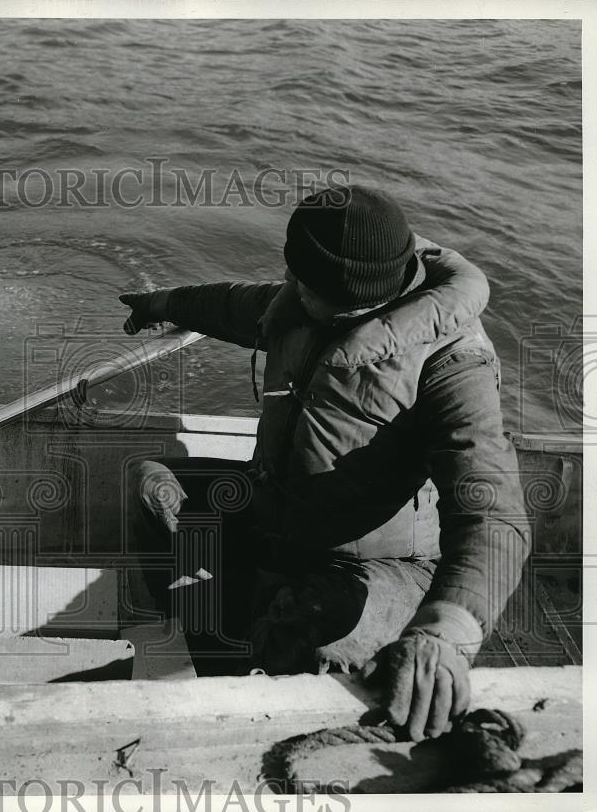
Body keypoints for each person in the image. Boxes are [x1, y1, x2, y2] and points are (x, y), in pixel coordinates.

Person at [120, 185, 529, 741]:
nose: (291, 287)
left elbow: (492, 511)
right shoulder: (306, 298)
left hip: (380, 562)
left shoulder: (455, 361)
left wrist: (447, 631)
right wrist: (160, 304)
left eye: (303, 282)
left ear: (350, 296)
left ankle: (258, 714)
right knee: (152, 487)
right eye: (293, 274)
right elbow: (233, 305)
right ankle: (216, 659)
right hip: (275, 512)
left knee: (304, 628)